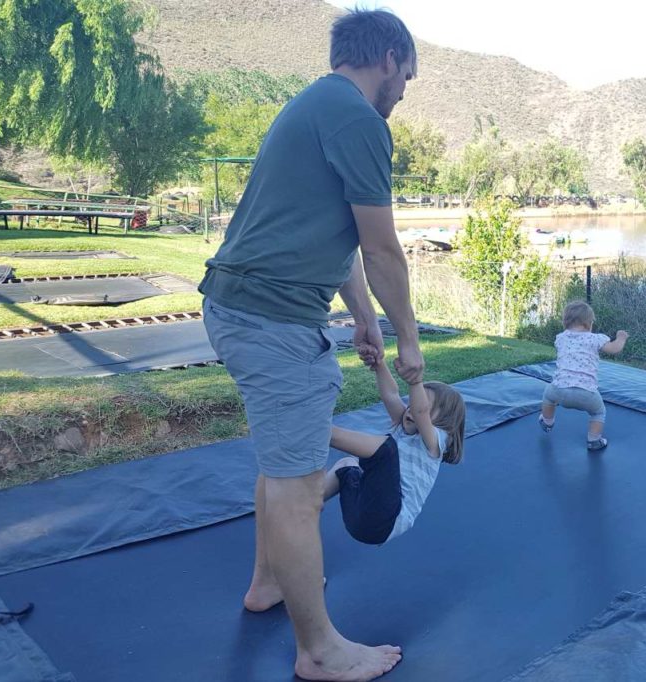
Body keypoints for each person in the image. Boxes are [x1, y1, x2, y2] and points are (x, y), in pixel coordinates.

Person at [198, 9, 420, 681]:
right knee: (297, 489)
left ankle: (268, 582)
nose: (406, 90)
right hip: (270, 321)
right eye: (407, 75)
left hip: (240, 307)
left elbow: (339, 237)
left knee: (281, 461)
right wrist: (409, 344)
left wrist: (362, 318)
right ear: (387, 57)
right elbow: (382, 249)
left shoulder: (317, 103)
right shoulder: (358, 118)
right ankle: (319, 651)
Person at [323, 354, 466, 545]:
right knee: (346, 464)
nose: (411, 410)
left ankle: (321, 431)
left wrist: (415, 382)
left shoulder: (434, 444)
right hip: (361, 516)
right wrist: (379, 364)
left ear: (442, 422)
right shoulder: (403, 424)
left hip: (386, 519)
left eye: (421, 407)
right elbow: (391, 395)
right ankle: (305, 505)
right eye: (411, 405)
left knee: (386, 450)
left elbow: (420, 412)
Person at [538, 301, 629, 450]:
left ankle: (547, 421)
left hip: (559, 389)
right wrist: (621, 338)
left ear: (565, 321)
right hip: (587, 393)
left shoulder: (560, 338)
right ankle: (593, 440)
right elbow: (614, 349)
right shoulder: (596, 339)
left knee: (547, 396)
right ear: (589, 323)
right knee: (599, 412)